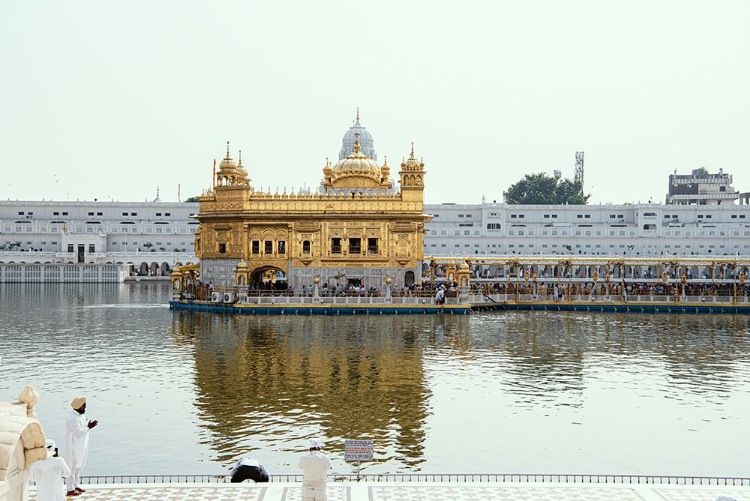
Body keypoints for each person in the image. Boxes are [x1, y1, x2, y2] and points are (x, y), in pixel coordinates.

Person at [66, 396, 98, 496]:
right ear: (79, 407)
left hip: (82, 445)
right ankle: (70, 489)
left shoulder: (80, 415)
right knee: (72, 466)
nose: (85, 407)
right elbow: (78, 432)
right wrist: (89, 427)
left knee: (80, 465)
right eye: (84, 405)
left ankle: (76, 485)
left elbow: (83, 428)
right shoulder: (72, 419)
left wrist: (88, 426)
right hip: (74, 447)